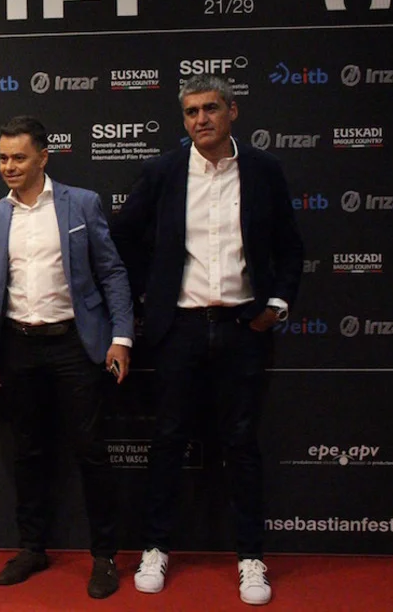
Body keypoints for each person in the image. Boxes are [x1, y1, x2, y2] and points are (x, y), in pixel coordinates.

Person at [111, 74, 303, 606]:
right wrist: (151, 294)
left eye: (211, 108)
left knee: (241, 443)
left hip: (244, 328)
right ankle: (155, 547)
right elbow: (123, 236)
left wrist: (276, 305)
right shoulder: (163, 171)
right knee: (168, 439)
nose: (202, 119)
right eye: (192, 111)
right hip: (180, 329)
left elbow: (290, 246)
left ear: (232, 111)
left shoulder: (263, 170)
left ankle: (251, 558)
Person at [0, 115, 133, 598]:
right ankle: (32, 548)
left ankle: (104, 556)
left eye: (19, 157)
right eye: (3, 158)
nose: (9, 166)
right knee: (27, 452)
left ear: (43, 157)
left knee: (91, 451)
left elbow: (111, 272)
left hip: (75, 343)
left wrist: (121, 337)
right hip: (17, 345)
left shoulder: (81, 203)